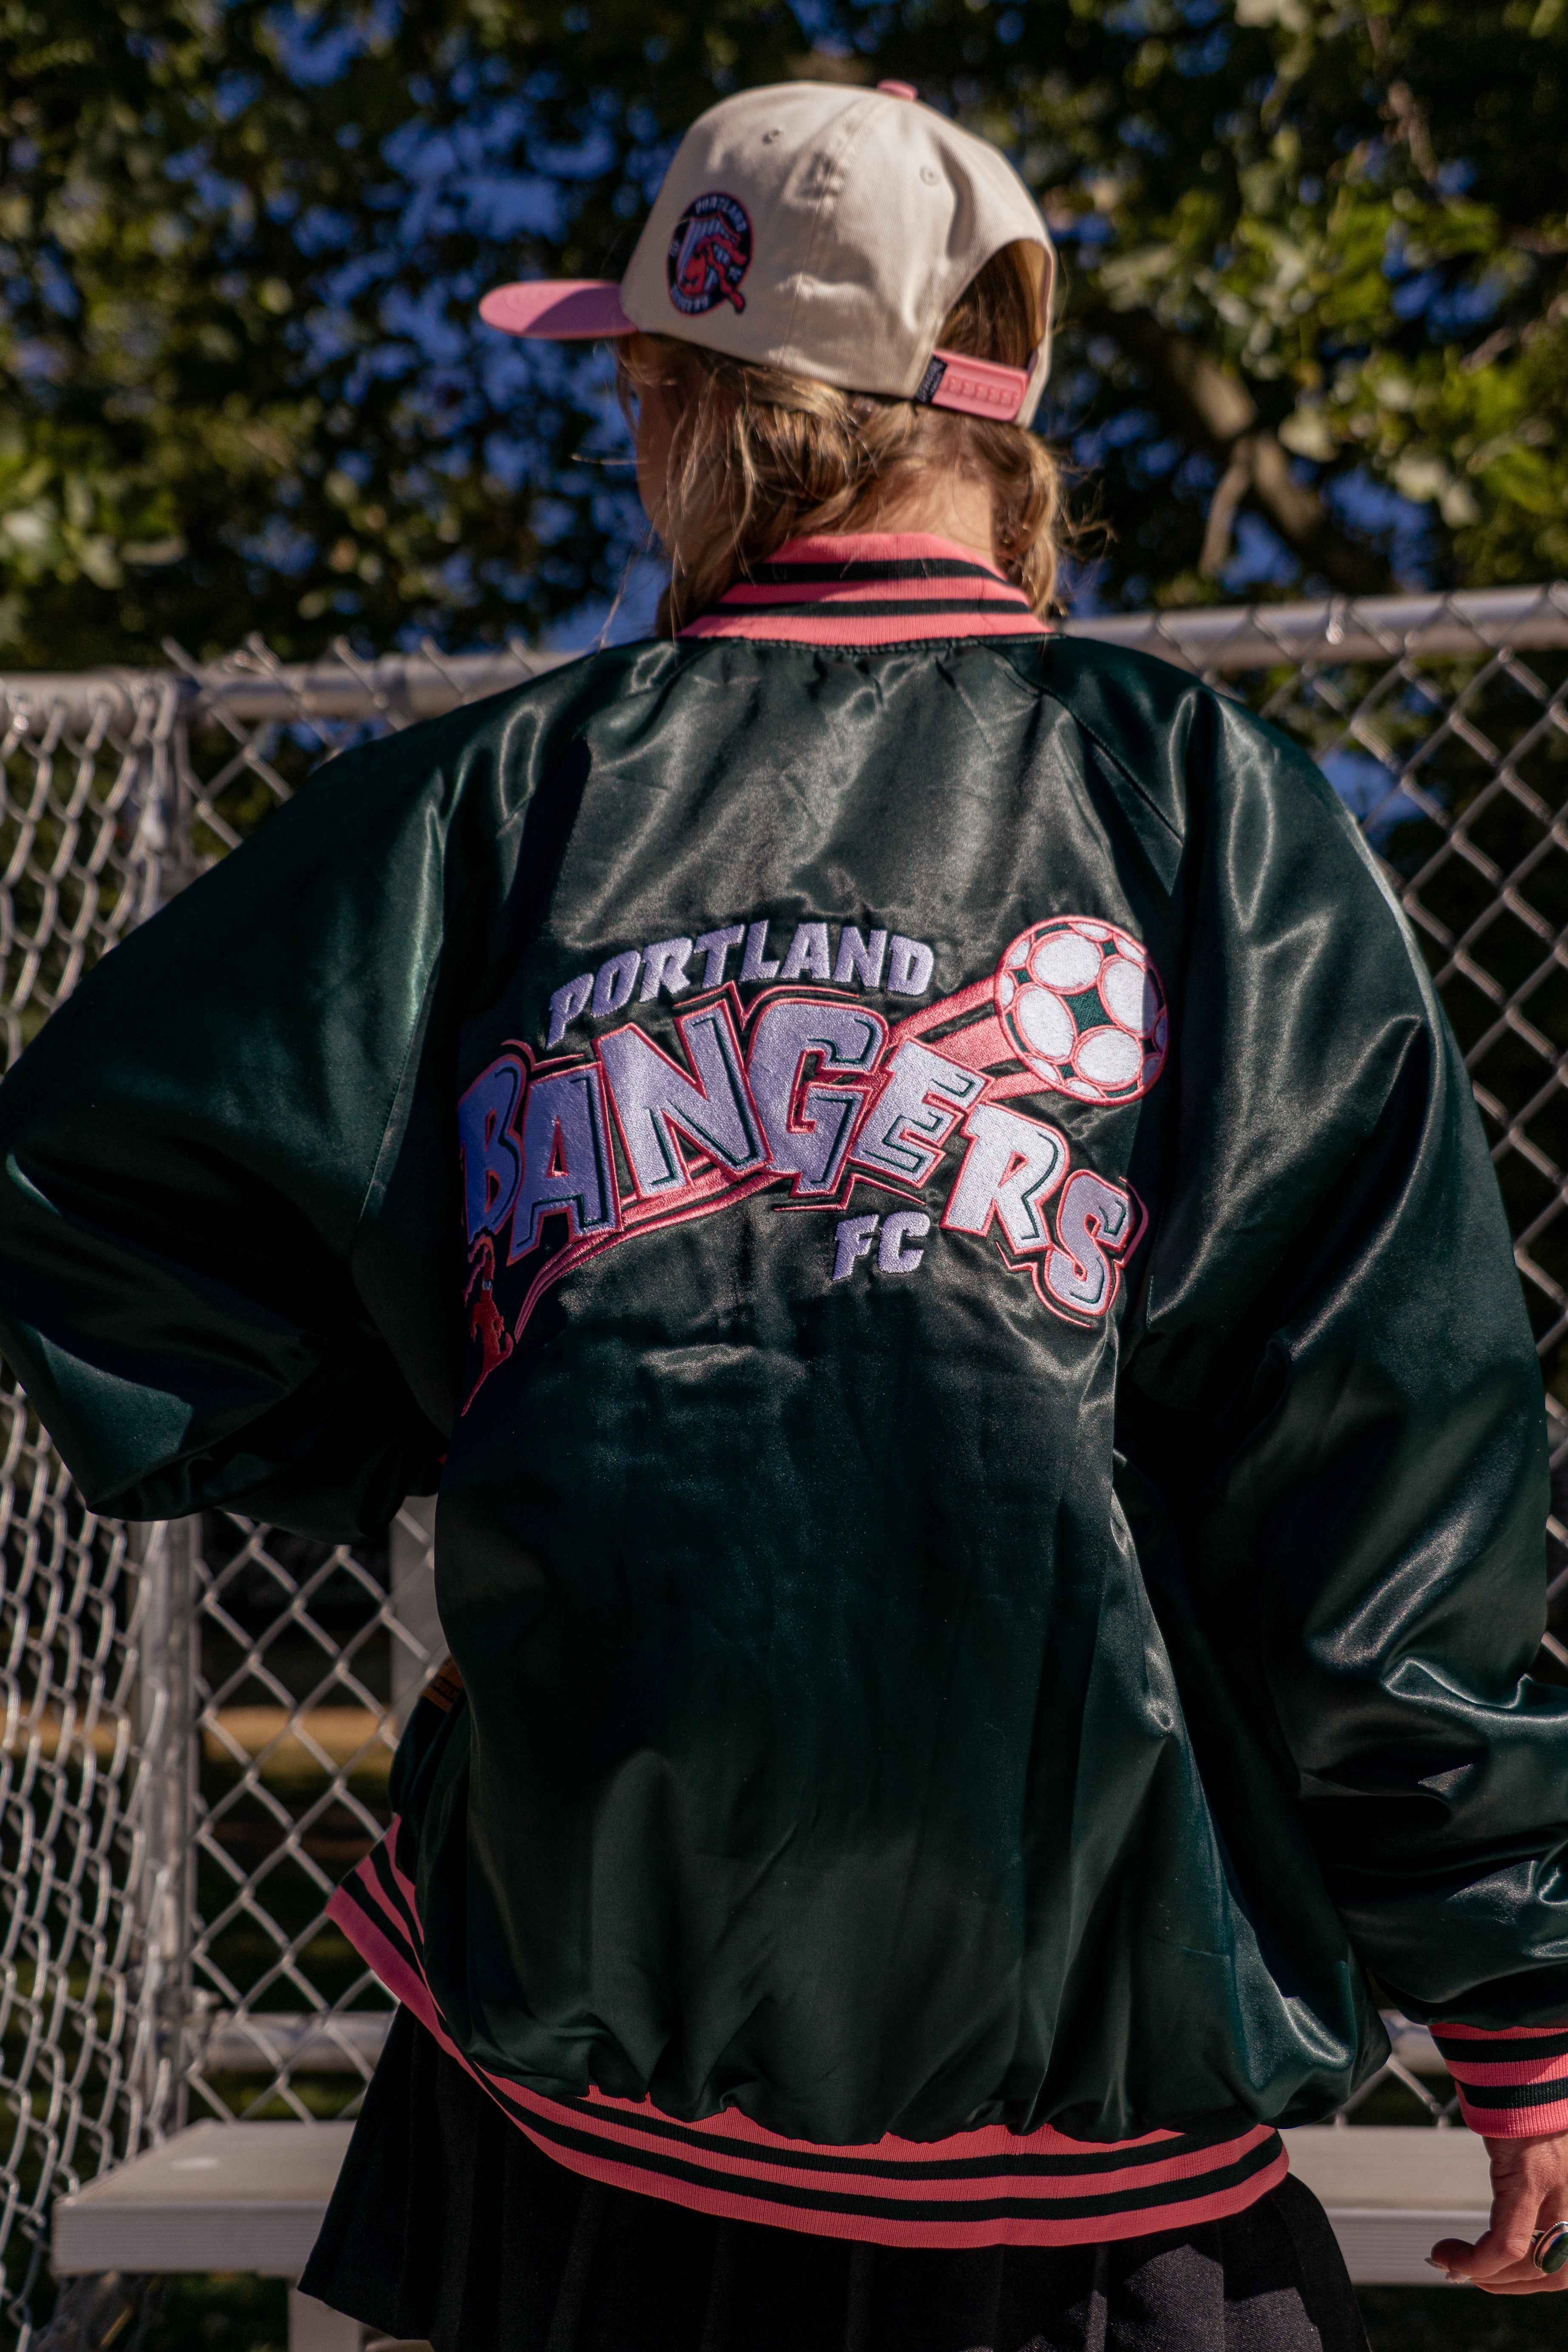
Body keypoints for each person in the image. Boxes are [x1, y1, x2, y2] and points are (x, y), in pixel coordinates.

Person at [4, 75, 1568, 2352]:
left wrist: (454, 1422)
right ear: (1002, 411)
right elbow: (1379, 1454)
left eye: (648, 387)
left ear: (693, 406)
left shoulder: (502, 804)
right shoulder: (1203, 808)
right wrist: (1516, 1983)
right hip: (1093, 2173)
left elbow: (89, 1162)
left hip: (588, 2149)